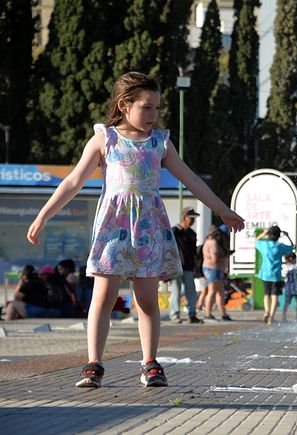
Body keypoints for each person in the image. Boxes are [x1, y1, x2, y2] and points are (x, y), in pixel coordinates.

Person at [26, 72, 245, 389]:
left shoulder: (160, 142)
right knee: (103, 297)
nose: (153, 115)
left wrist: (224, 210)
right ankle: (93, 364)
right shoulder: (106, 138)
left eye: (156, 108)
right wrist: (43, 215)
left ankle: (150, 363)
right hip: (114, 227)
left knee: (146, 300)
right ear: (124, 105)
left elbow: (192, 180)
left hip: (149, 228)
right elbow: (73, 181)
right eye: (146, 107)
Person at [169, 207, 202, 324]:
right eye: (191, 218)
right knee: (175, 291)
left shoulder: (192, 234)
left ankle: (192, 314)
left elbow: (194, 252)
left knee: (191, 292)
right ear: (184, 218)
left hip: (188, 266)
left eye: (194, 219)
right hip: (175, 266)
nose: (193, 221)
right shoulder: (174, 231)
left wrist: (196, 267)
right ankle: (175, 314)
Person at [255, 226, 294, 325]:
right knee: (275, 296)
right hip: (276, 275)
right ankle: (271, 318)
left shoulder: (264, 245)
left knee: (266, 294)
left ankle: (266, 312)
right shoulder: (280, 246)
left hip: (265, 274)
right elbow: (292, 247)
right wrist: (288, 236)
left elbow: (256, 241)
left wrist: (264, 233)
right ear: (278, 236)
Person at [202, 224, 234, 321]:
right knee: (212, 291)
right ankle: (207, 314)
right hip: (212, 269)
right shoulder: (213, 243)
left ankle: (223, 314)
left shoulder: (211, 241)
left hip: (215, 269)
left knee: (220, 292)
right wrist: (224, 255)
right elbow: (214, 259)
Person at [281, 252, 297, 321]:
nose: (296, 261)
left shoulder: (285, 268)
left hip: (288, 288)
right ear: (292, 259)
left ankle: (284, 316)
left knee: (287, 303)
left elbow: (283, 276)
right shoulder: (296, 267)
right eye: (295, 259)